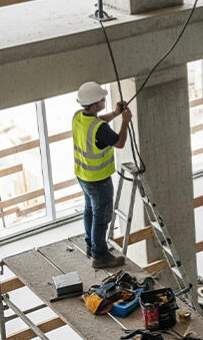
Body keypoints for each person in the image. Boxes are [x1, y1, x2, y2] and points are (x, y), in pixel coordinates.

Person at [73, 81, 131, 269]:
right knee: (102, 217)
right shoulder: (100, 128)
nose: (104, 100)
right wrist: (125, 121)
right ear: (93, 105)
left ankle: (92, 245)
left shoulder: (78, 117)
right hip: (99, 180)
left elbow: (97, 123)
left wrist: (114, 114)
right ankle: (100, 256)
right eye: (101, 99)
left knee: (90, 210)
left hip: (83, 176)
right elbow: (120, 142)